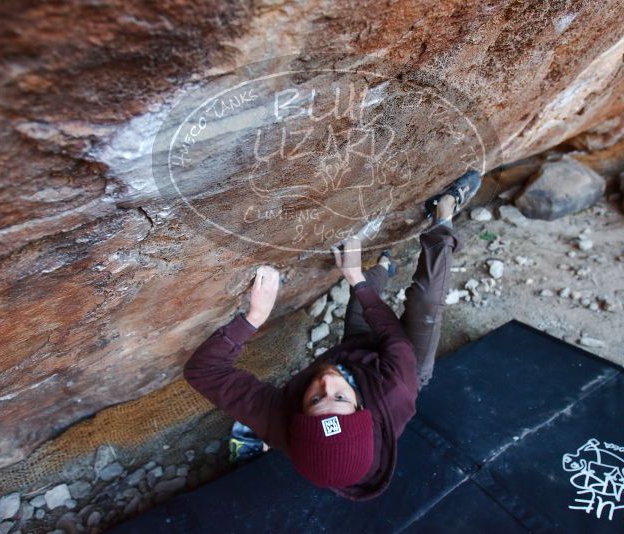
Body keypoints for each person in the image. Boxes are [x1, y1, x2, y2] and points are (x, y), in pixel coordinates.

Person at [184, 170, 481, 501]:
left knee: (360, 307)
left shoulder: (283, 421)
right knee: (425, 300)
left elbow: (202, 372)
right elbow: (394, 341)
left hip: (354, 357)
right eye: (339, 398)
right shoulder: (396, 390)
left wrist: (254, 317)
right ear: (358, 408)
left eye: (314, 399)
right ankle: (445, 211)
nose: (326, 382)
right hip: (401, 366)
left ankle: (383, 266)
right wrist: (355, 278)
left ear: (299, 416)